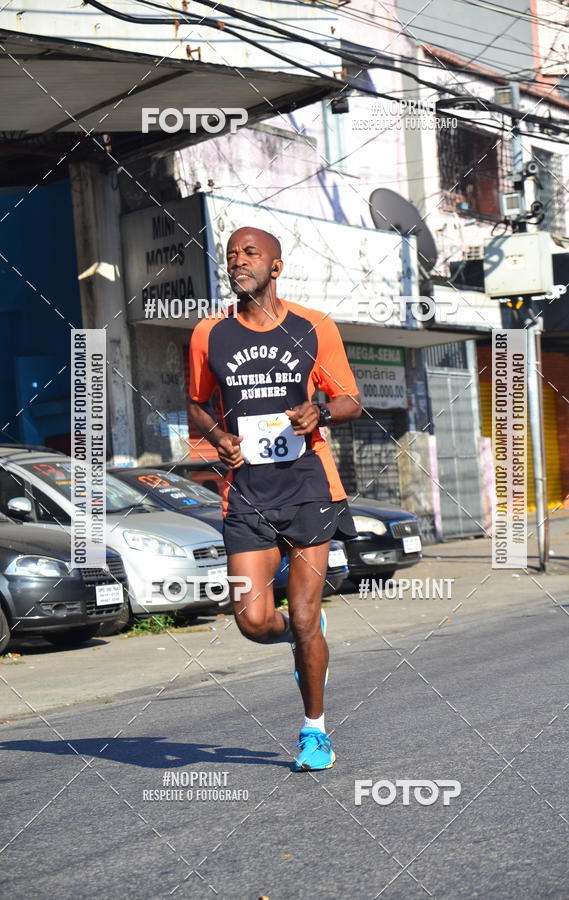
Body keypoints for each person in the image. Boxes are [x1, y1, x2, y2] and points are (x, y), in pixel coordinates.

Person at [187, 227, 362, 771]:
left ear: (276, 267)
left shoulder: (314, 327)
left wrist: (321, 412)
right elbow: (195, 404)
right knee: (253, 620)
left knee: (306, 613)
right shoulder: (208, 335)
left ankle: (314, 731)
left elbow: (350, 397)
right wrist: (216, 437)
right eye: (232, 254)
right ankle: (301, 638)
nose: (238, 260)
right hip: (246, 495)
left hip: (310, 488)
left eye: (250, 253)